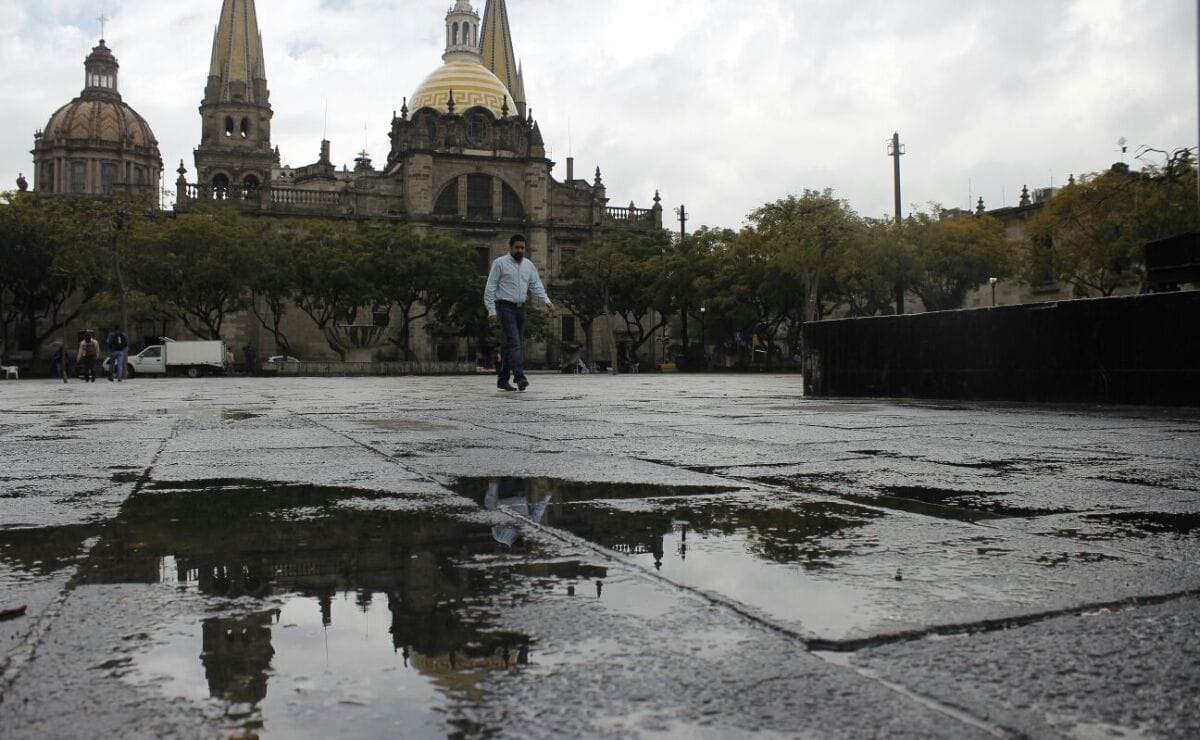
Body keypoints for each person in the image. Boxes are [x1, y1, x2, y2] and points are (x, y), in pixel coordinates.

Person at [483, 234, 555, 392]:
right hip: (505, 307)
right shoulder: (500, 263)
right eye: (517, 247)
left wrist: (547, 301)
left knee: (512, 345)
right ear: (510, 247)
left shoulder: (528, 265)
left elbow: (536, 285)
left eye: (522, 248)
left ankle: (503, 380)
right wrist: (491, 310)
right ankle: (519, 377)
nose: (520, 250)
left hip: (521, 307)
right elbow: (490, 287)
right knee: (515, 343)